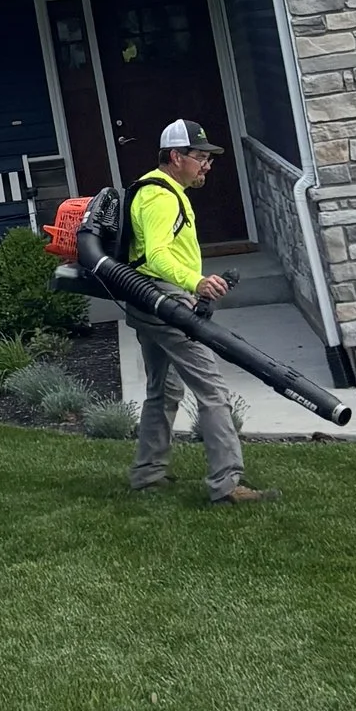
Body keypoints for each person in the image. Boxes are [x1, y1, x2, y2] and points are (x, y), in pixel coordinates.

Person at [126, 119, 272, 505]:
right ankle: (226, 486)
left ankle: (147, 474)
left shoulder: (159, 190)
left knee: (164, 388)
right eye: (200, 157)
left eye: (209, 158)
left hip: (146, 301)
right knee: (212, 389)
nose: (207, 165)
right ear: (176, 157)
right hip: (165, 301)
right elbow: (156, 255)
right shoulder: (161, 198)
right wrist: (194, 283)